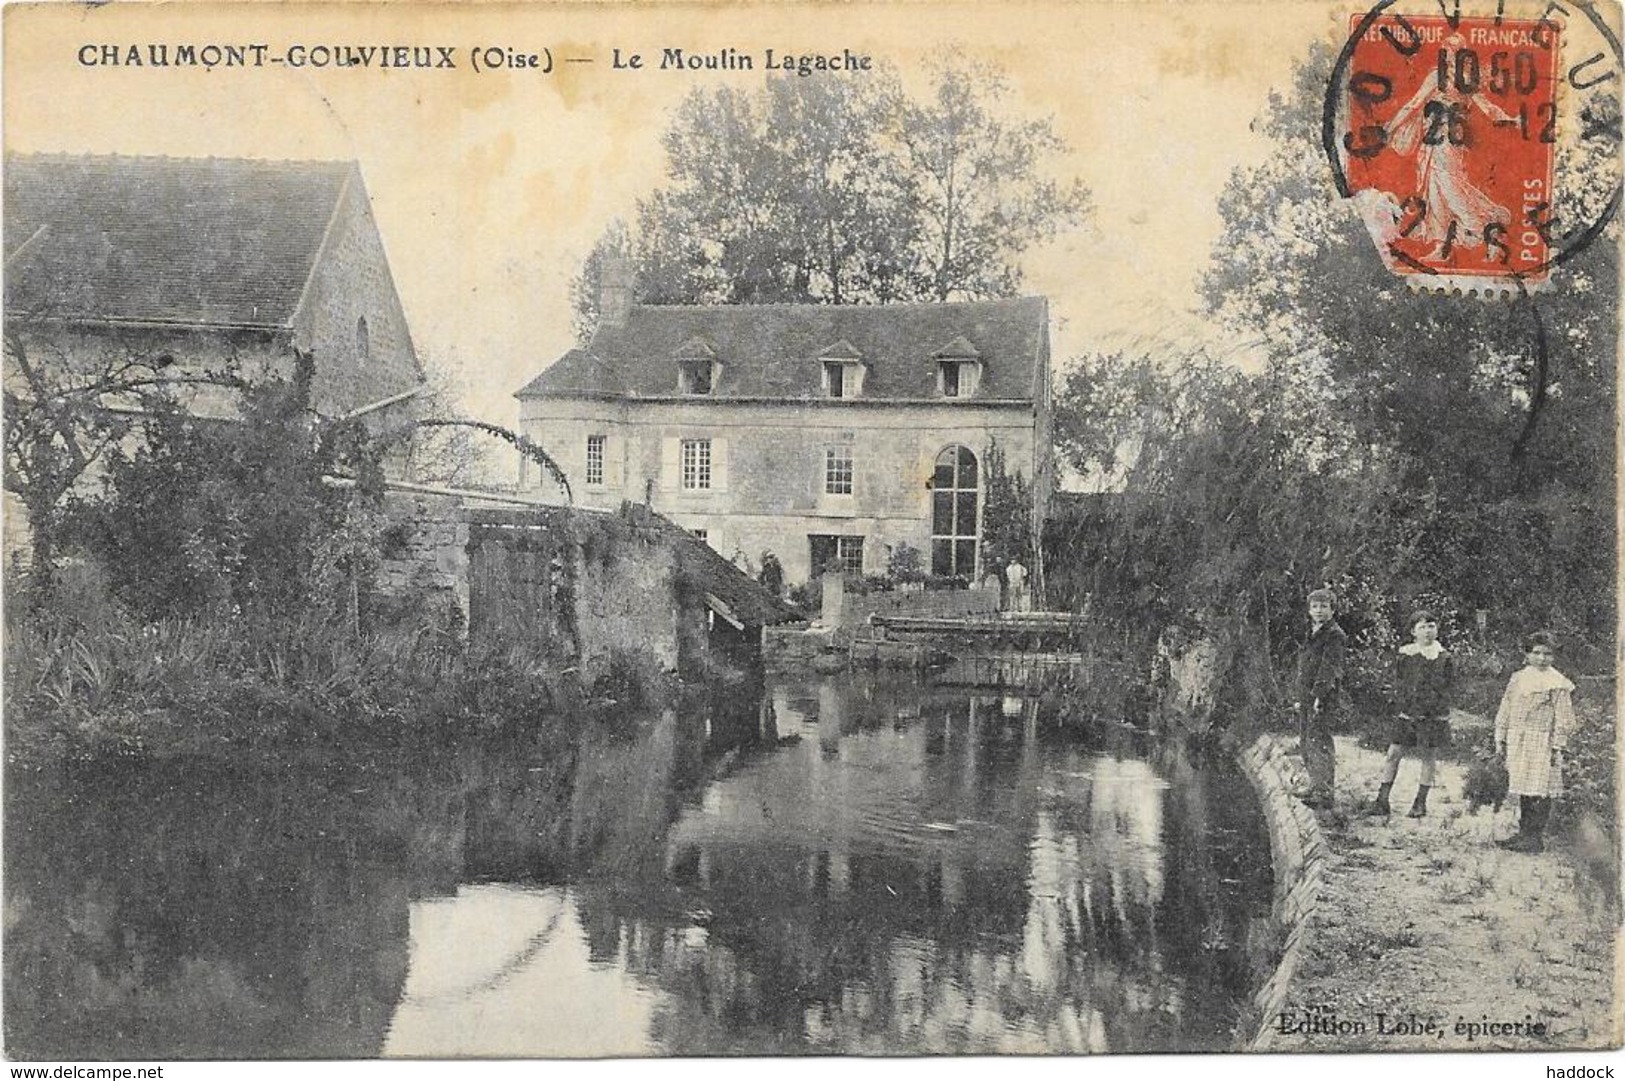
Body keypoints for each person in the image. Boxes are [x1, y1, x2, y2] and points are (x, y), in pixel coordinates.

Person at [1362, 610, 1454, 819]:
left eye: (1431, 626)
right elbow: (1401, 683)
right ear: (1413, 631)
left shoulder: (1444, 657)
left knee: (1428, 756)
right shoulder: (1406, 655)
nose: (1428, 631)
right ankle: (1382, 800)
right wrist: (1404, 707)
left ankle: (1420, 803)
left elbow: (1447, 688)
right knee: (1393, 754)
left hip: (1432, 715)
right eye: (1422, 627)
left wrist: (1433, 709)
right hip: (1408, 713)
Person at [1493, 632, 1578, 854]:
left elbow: (1564, 718)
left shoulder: (1557, 683)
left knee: (1540, 788)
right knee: (1523, 785)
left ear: (1554, 656)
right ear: (1527, 654)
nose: (1541, 658)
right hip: (1518, 738)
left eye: (1547, 654)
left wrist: (1557, 745)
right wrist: (1500, 737)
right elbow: (1506, 707)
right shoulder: (1518, 678)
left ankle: (1534, 837)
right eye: (1536, 653)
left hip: (1542, 741)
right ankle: (1523, 833)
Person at [1294, 587, 1347, 809]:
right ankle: (1316, 785)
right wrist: (1301, 695)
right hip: (1307, 694)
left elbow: (1328, 668)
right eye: (1315, 606)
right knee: (1307, 741)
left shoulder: (1334, 634)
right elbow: (1305, 667)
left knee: (1320, 742)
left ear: (1332, 610)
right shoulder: (1313, 631)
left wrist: (1318, 696)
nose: (1319, 610)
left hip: (1322, 696)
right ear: (1309, 610)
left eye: (1324, 606)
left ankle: (1325, 793)